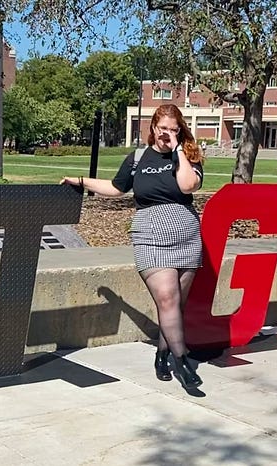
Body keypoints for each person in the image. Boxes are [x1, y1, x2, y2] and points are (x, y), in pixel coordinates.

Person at [61, 104, 205, 389]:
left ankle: (163, 354)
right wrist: (80, 181)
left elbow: (188, 186)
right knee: (166, 299)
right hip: (150, 235)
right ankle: (183, 362)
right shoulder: (137, 159)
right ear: (153, 127)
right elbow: (116, 188)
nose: (167, 134)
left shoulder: (188, 157)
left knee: (176, 305)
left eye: (174, 129)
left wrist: (177, 150)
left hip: (186, 236)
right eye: (163, 128)